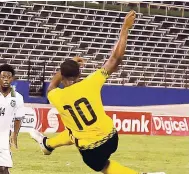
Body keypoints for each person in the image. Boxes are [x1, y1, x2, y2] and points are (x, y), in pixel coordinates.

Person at [30, 10, 165, 174]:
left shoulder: (55, 96)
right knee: (74, 132)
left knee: (102, 164)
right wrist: (125, 28)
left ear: (61, 75)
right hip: (112, 138)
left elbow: (51, 86)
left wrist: (69, 63)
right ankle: (47, 145)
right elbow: (115, 59)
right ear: (79, 74)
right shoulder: (91, 82)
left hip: (91, 149)